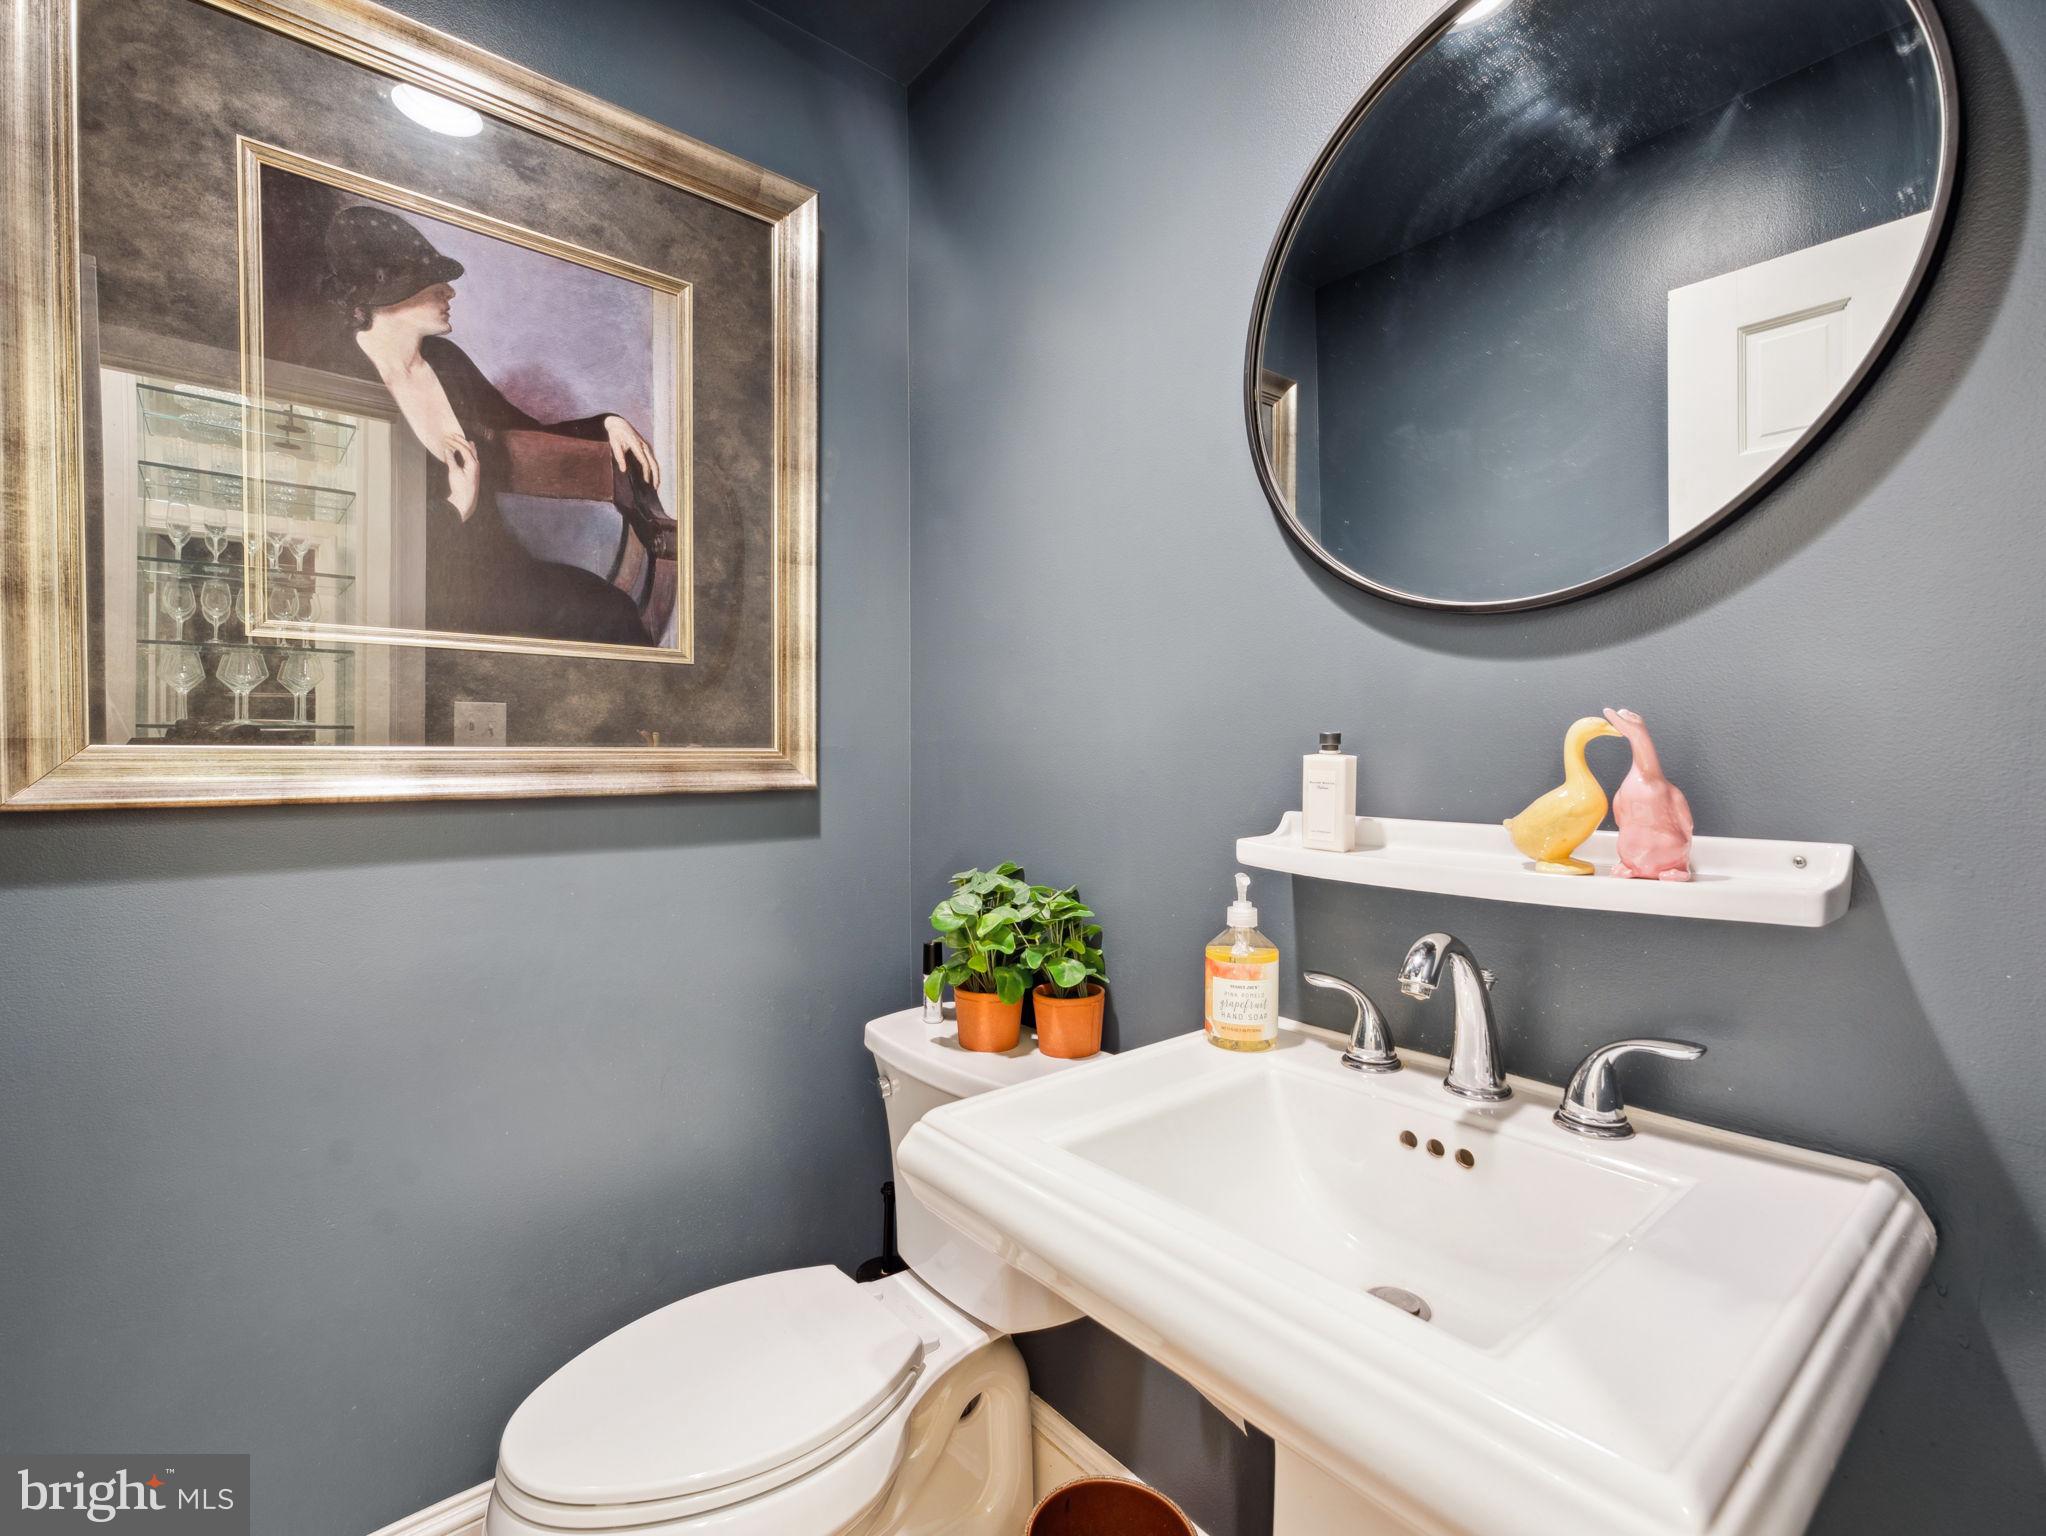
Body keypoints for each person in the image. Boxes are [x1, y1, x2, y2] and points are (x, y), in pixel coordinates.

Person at [325, 202, 660, 646]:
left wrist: (607, 423)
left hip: (496, 572)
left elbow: (525, 425)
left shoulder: (447, 363)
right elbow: (345, 524)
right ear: (387, 293)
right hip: (408, 593)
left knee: (611, 613)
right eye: (431, 284)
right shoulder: (339, 373)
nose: (450, 292)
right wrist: (455, 508)